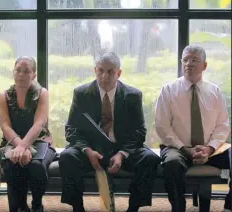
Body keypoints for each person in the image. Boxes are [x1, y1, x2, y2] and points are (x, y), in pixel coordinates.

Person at [59, 51, 161, 212]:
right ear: (95, 71)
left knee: (149, 159)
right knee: (67, 157)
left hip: (121, 148)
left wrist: (122, 154)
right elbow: (71, 129)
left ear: (118, 73)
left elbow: (140, 132)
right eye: (100, 71)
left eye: (110, 72)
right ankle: (77, 207)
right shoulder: (81, 93)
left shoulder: (132, 96)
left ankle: (133, 208)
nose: (104, 76)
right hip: (91, 149)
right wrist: (87, 150)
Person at [154, 45, 231, 212]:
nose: (188, 63)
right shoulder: (168, 90)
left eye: (194, 60)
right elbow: (162, 126)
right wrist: (185, 149)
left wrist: (209, 148)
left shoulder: (215, 92)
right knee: (172, 163)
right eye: (185, 59)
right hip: (178, 147)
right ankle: (178, 207)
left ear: (204, 65)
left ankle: (229, 205)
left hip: (210, 149)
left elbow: (223, 126)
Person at [0, 56, 56, 212]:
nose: (21, 74)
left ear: (33, 75)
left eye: (26, 71)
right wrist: (19, 147)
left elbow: (39, 123)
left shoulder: (42, 93)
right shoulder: (3, 95)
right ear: (13, 71)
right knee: (12, 164)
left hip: (40, 141)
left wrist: (23, 147)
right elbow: (5, 125)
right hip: (11, 142)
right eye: (18, 70)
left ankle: (37, 204)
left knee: (36, 166)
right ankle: (21, 206)